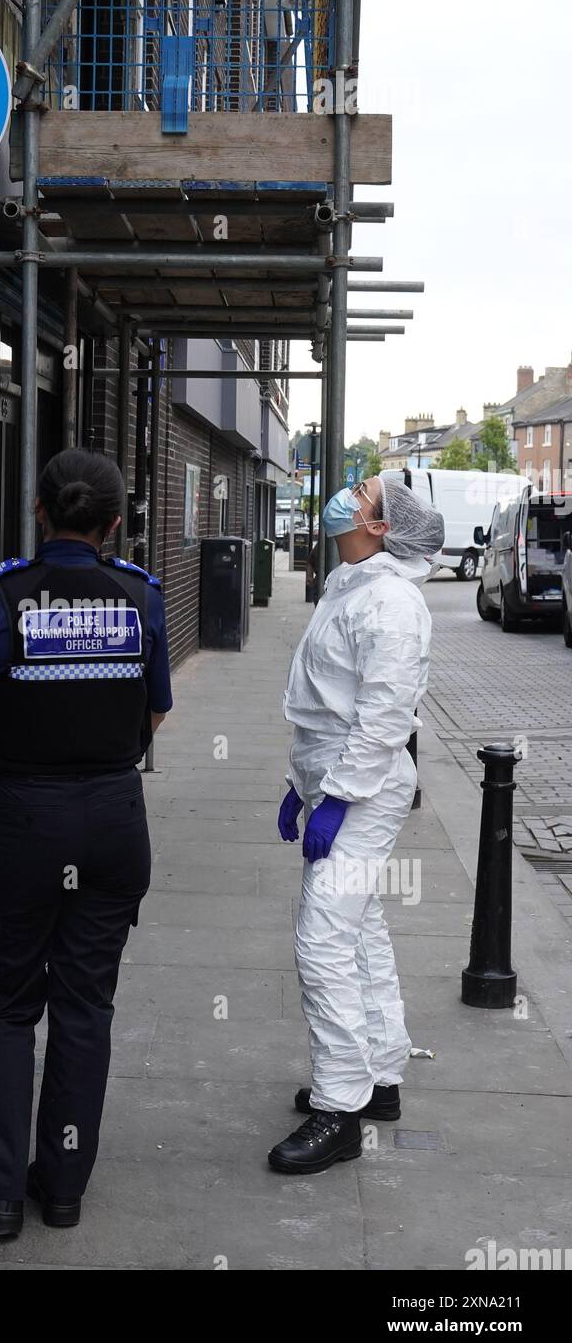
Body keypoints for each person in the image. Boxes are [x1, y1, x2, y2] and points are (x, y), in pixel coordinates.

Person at [0, 449, 173, 1238]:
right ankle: (61, 1187)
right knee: (86, 1004)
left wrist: (3, 770)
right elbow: (154, 715)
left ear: (38, 511)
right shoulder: (142, 597)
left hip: (23, 819)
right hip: (114, 819)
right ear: (115, 524)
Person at [271, 473, 445, 1174]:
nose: (346, 494)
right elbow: (323, 697)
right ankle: (379, 1075)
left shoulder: (393, 603)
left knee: (322, 940)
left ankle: (339, 1109)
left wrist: (338, 798)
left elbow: (383, 717)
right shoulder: (351, 580)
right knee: (361, 927)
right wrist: (299, 783)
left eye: (360, 492)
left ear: (378, 526)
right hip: (332, 776)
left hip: (364, 789)